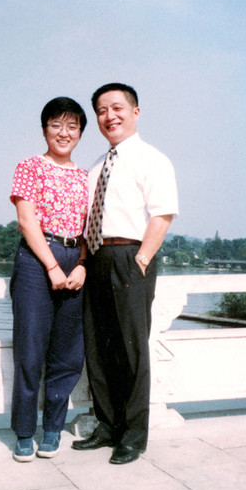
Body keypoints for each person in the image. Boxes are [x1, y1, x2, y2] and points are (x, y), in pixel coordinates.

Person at [72, 83, 178, 464]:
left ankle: (134, 435)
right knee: (98, 347)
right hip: (97, 258)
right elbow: (86, 221)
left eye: (116, 108)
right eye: (101, 110)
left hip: (131, 256)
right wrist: (84, 262)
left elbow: (162, 214)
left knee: (132, 348)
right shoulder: (96, 166)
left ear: (135, 111)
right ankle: (107, 425)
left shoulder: (153, 159)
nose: (109, 116)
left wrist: (142, 260)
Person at [9, 97, 88, 462]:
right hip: (37, 261)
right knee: (30, 350)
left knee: (67, 352)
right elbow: (27, 222)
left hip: (76, 261)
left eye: (72, 127)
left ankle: (53, 428)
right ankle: (25, 432)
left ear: (80, 135)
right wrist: (52, 266)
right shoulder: (29, 167)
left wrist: (82, 264)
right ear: (45, 129)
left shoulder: (86, 177)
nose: (64, 133)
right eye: (57, 124)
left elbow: (93, 229)